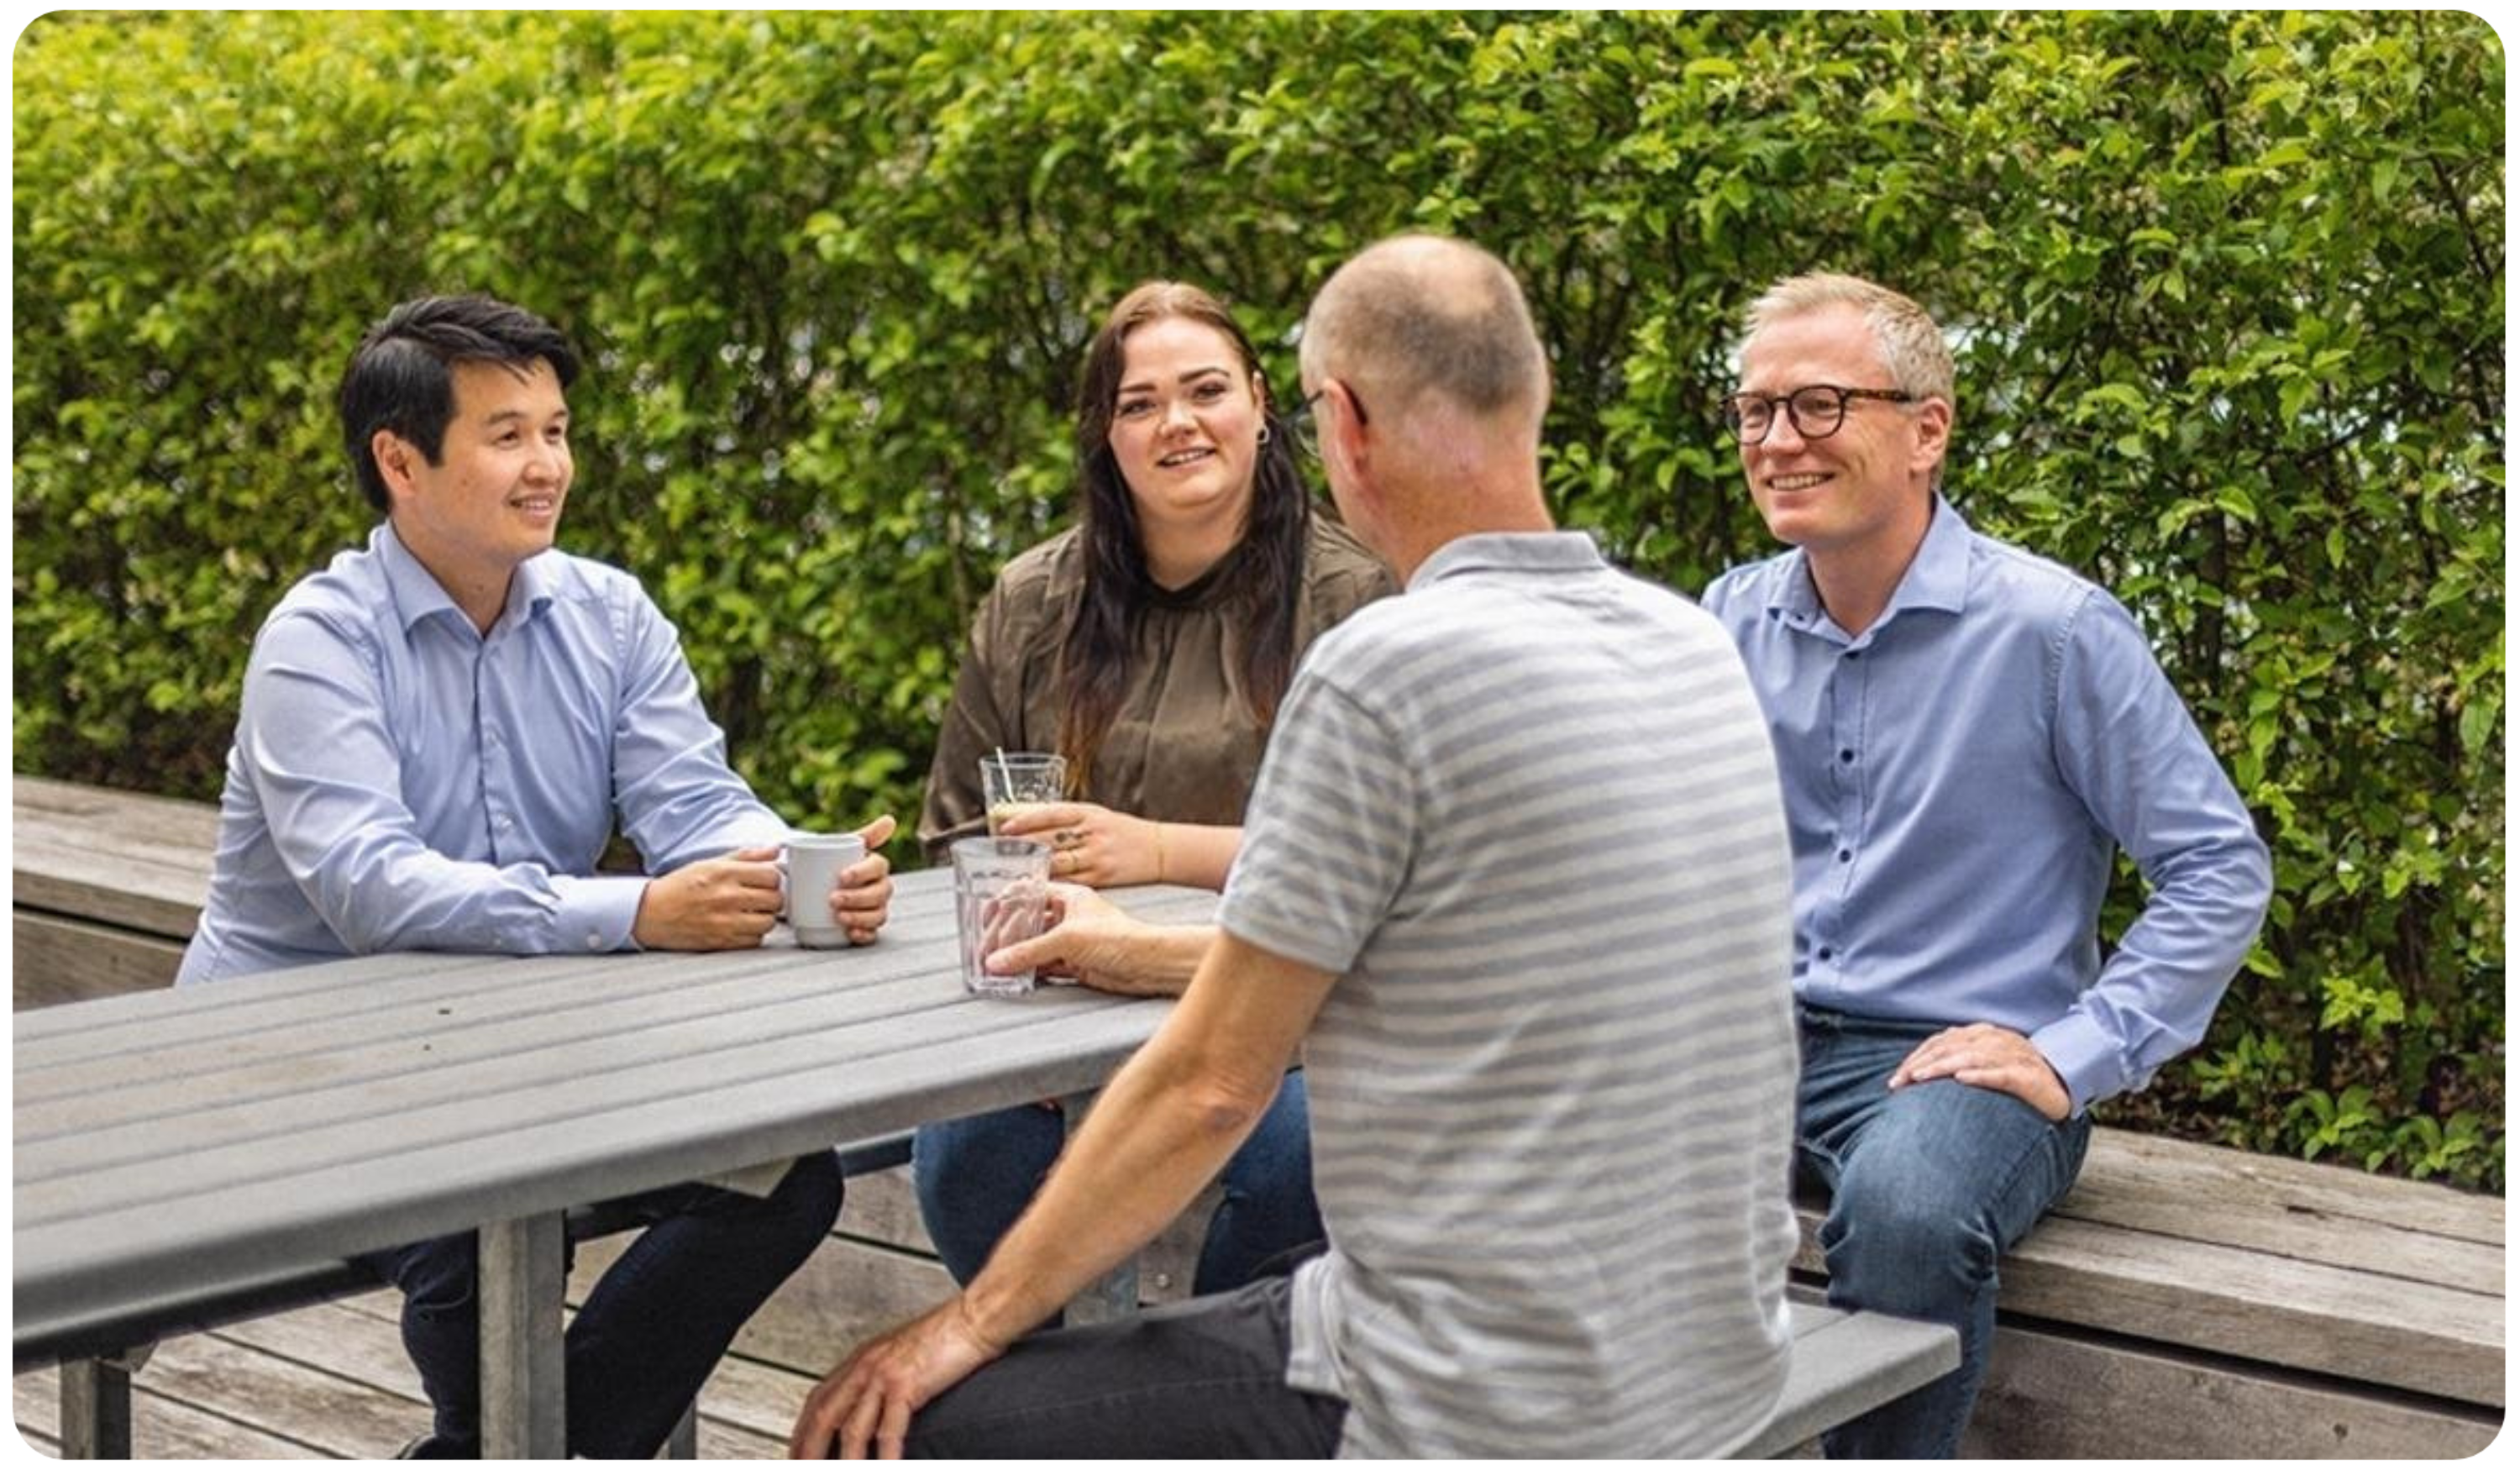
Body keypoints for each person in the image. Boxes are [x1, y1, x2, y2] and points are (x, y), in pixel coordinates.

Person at [790, 236, 1801, 1459]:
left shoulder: (1385, 661)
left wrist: (958, 1325)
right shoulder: (1691, 644)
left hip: (1475, 1393)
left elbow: (1217, 1080)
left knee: (914, 1419)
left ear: (1336, 421)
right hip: (1717, 1361)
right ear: (1531, 394)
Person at [176, 293, 897, 1457]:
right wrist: (642, 913)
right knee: (484, 1227)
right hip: (294, 1069)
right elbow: (374, 887)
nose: (547, 464)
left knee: (782, 1175)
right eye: (507, 434)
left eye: (556, 429)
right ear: (400, 461)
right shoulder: (317, 640)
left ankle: (514, 1450)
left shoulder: (607, 614)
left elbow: (696, 803)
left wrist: (801, 873)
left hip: (516, 1057)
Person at [1699, 272, 2274, 1457]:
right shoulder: (1728, 620)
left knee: (1907, 1209)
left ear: (1927, 429)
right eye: (1755, 411)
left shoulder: (2055, 631)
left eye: (1816, 405)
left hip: (1957, 1062)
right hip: (1747, 1041)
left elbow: (2218, 865)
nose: (1776, 441)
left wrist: (2074, 1052)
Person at [910, 281, 1394, 1298]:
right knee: (963, 1154)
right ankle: (1062, 1413)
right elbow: (955, 838)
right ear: (1106, 437)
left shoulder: (1359, 600)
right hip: (1056, 1008)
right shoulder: (1033, 601)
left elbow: (1391, 868)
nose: (1177, 422)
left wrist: (1153, 847)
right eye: (1138, 403)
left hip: (1282, 1025)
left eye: (1206, 389)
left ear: (1263, 406)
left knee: (1293, 1167)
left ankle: (1191, 1405)